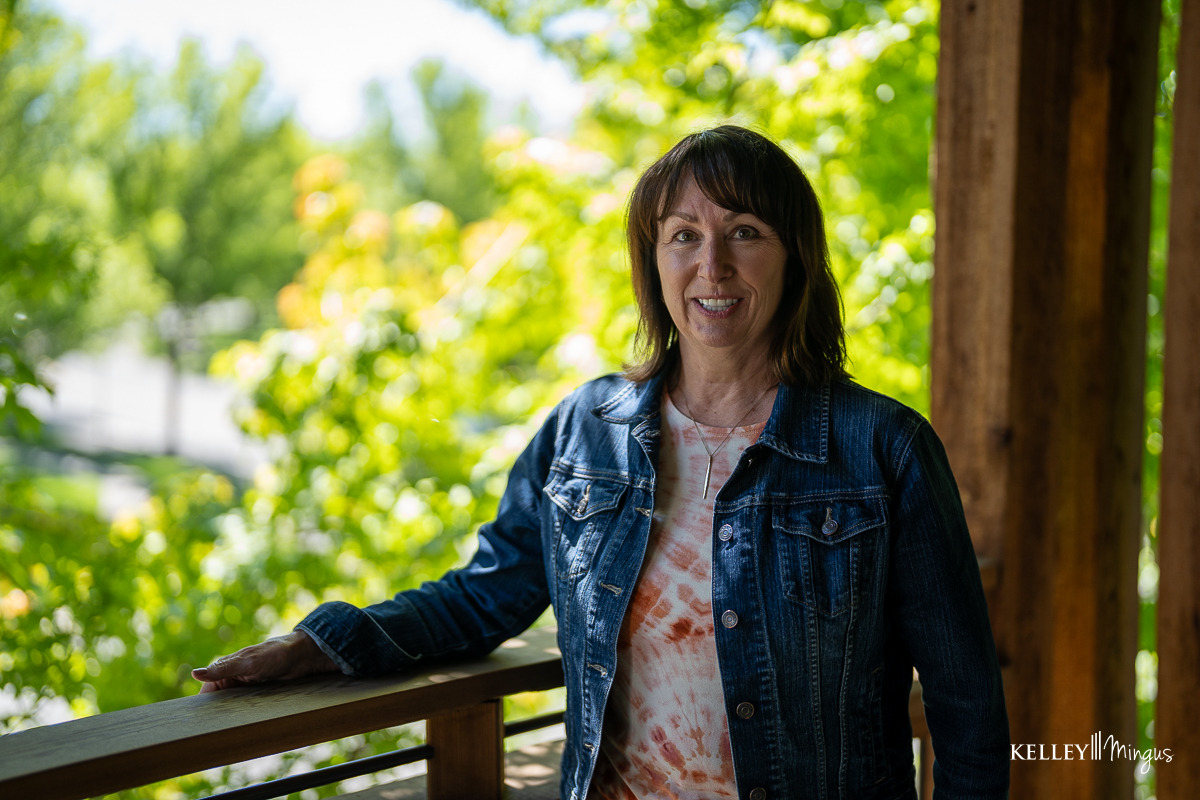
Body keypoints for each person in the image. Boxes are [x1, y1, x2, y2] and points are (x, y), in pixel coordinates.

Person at [193, 125, 1010, 800]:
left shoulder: (883, 449)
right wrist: (327, 642)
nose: (712, 265)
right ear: (653, 262)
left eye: (744, 232)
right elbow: (483, 597)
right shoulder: (585, 433)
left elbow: (966, 703)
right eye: (683, 236)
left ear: (794, 255)